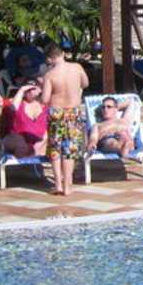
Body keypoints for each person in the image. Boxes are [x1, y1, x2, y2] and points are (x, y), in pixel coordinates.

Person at [39, 43, 88, 197]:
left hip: (57, 113)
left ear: (49, 59)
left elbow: (45, 99)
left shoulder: (50, 75)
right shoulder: (77, 68)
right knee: (69, 150)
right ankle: (67, 186)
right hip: (73, 112)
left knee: (55, 149)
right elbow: (85, 83)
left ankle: (58, 185)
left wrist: (41, 87)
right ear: (63, 54)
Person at [1, 83, 48, 159]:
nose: (29, 91)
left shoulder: (46, 107)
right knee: (20, 143)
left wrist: (39, 145)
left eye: (33, 88)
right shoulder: (17, 103)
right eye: (28, 88)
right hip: (19, 143)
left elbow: (49, 130)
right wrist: (21, 90)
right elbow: (12, 110)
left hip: (41, 144)